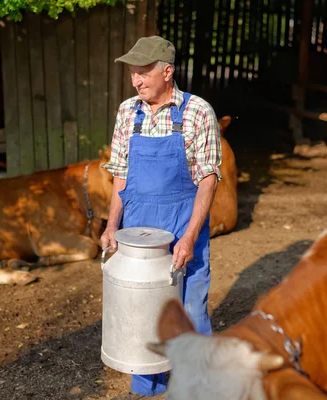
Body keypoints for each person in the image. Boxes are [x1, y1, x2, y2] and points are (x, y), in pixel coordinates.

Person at [100, 35, 222, 398]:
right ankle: (148, 390)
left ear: (167, 72)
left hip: (184, 229)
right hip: (137, 234)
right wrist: (110, 226)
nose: (136, 81)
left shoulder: (197, 112)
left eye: (143, 73)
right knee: (143, 320)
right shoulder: (128, 112)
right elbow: (120, 173)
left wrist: (189, 237)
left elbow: (208, 179)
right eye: (133, 74)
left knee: (190, 313)